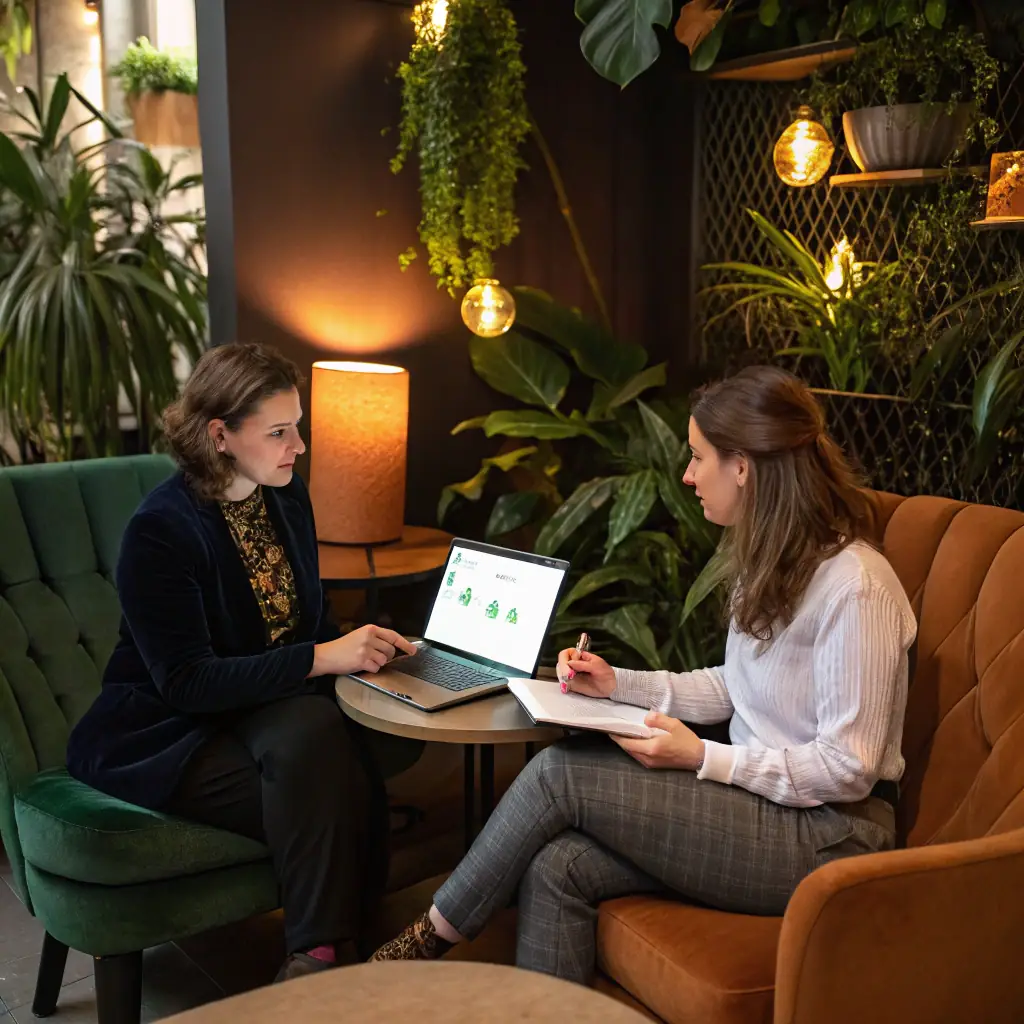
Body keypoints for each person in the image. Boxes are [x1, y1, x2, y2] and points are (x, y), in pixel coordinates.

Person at [370, 364, 917, 982]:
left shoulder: (857, 588)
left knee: (557, 774)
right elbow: (737, 686)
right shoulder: (772, 560)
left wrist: (703, 758)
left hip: (832, 837)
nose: (687, 475)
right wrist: (619, 684)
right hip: (765, 805)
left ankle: (417, 947)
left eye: (698, 457)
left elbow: (848, 768)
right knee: (557, 866)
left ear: (742, 467)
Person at [66, 343, 417, 982]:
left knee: (326, 740)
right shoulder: (160, 531)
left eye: (297, 427)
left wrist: (363, 653)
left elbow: (306, 627)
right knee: (331, 781)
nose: (299, 447)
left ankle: (317, 958)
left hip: (266, 707)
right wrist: (320, 658)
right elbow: (187, 682)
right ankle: (326, 959)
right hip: (171, 725)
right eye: (279, 432)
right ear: (219, 436)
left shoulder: (286, 495)